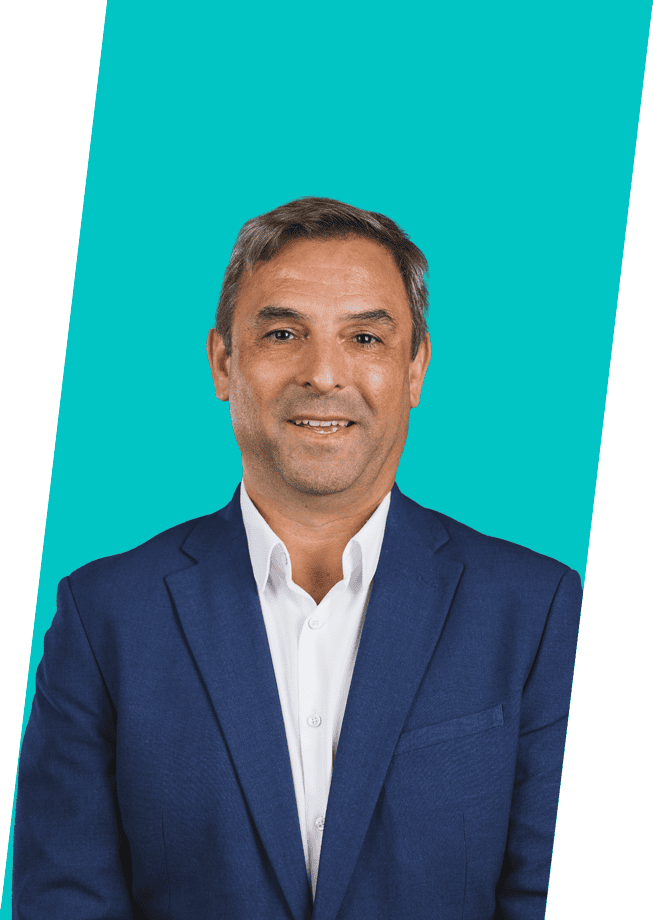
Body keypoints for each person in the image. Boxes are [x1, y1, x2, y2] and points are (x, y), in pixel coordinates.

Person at [13, 197, 582, 920]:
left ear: (414, 368)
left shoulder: (537, 610)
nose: (323, 374)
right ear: (224, 362)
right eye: (283, 333)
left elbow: (552, 892)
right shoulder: (106, 616)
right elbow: (65, 898)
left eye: (365, 338)